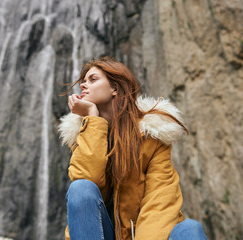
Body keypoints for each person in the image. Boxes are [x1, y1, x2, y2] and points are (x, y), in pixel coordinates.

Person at [57, 56, 208, 240]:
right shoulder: (85, 134)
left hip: (146, 235)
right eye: (83, 81)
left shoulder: (152, 138)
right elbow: (86, 185)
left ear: (115, 88)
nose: (83, 85)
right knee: (80, 188)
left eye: (93, 79)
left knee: (190, 229)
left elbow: (159, 206)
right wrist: (92, 117)